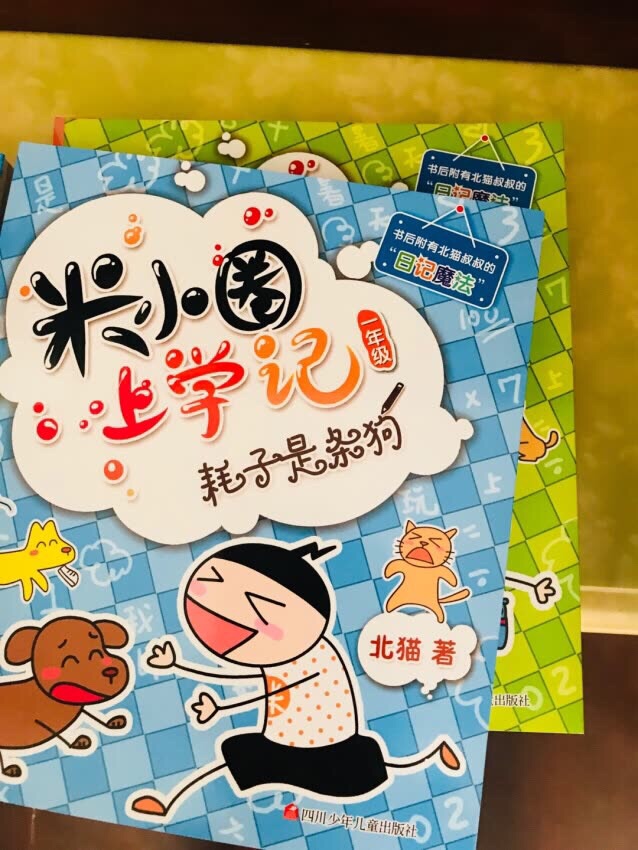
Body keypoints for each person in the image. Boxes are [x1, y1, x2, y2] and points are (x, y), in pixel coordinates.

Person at [129, 537, 463, 822]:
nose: (244, 619)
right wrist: (180, 665)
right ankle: (169, 803)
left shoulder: (314, 655)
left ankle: (431, 755)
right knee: (234, 755)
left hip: (327, 746)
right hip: (283, 740)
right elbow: (244, 676)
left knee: (367, 770)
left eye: (261, 606)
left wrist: (221, 707)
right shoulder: (284, 652)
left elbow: (268, 693)